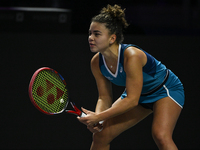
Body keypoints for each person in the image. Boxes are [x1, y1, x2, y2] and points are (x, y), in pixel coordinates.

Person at [78, 4, 185, 150]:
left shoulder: (132, 56)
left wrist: (99, 117)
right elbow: (104, 97)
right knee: (101, 135)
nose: (90, 38)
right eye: (90, 33)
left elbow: (132, 100)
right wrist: (99, 119)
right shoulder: (96, 62)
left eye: (97, 34)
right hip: (138, 94)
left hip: (165, 90)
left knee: (160, 135)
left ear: (112, 38)